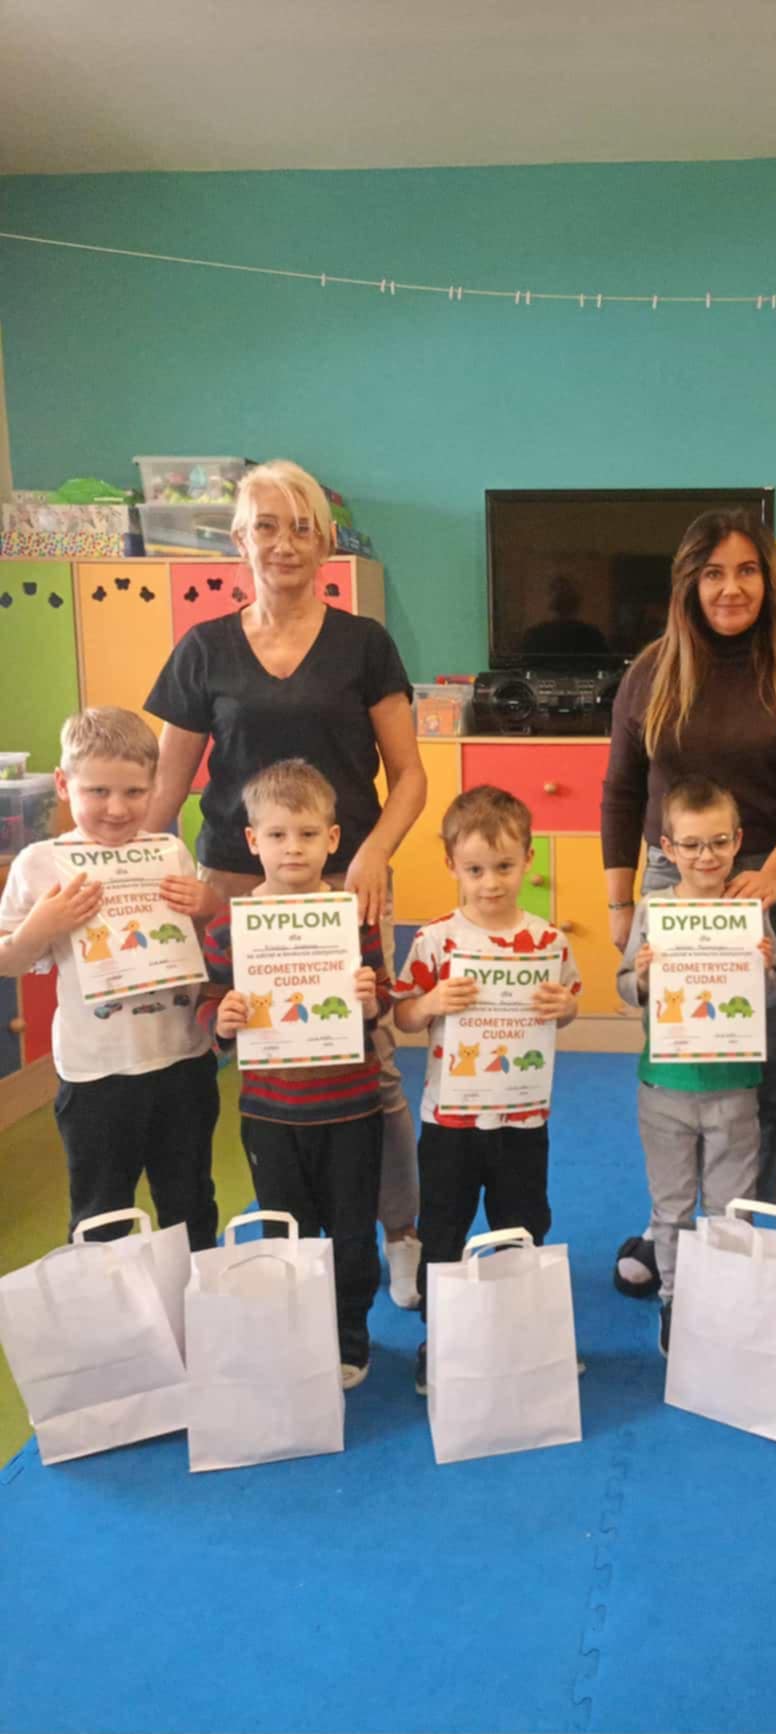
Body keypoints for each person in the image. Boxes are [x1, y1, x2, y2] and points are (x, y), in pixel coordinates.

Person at [144, 460, 428, 1306]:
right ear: (238, 539)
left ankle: (399, 1232)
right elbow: (163, 792)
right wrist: (120, 871)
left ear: (326, 541)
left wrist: (371, 855)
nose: (284, 543)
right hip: (234, 888)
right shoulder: (204, 649)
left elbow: (409, 776)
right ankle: (286, 1239)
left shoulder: (363, 644)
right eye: (266, 525)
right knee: (257, 1057)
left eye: (302, 527)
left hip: (342, 886)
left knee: (369, 1068)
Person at [601, 509, 776, 1295]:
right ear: (689, 583)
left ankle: (745, 1226)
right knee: (682, 1066)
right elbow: (621, 789)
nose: (730, 588)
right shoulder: (650, 671)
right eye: (713, 573)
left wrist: (770, 877)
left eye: (745, 571)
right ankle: (669, 1224)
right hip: (674, 880)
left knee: (767, 1072)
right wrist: (619, 903)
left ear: (768, 583)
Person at [203, 759, 390, 1389]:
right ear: (252, 840)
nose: (293, 848)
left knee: (353, 1230)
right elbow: (211, 1000)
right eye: (277, 835)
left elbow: (382, 996)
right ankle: (298, 1332)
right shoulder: (229, 927)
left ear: (332, 839)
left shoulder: (352, 918)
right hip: (271, 1113)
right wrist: (223, 1020)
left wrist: (369, 999)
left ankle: (350, 1333)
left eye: (308, 834)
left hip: (351, 1108)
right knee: (286, 1229)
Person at [0, 708, 219, 1246]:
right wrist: (40, 928)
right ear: (62, 784)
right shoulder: (38, 863)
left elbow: (193, 942)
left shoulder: (169, 851)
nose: (117, 809)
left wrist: (206, 905)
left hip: (182, 1060)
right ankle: (108, 1302)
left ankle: (194, 1296)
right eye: (97, 791)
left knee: (190, 1202)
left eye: (134, 792)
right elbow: (7, 960)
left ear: (154, 787)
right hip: (97, 1073)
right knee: (101, 1215)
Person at [392, 786, 582, 1394]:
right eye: (475, 870)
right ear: (451, 864)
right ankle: (441, 1337)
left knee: (523, 1222)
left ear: (528, 859)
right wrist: (430, 1002)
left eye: (504, 866)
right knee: (443, 1228)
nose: (491, 883)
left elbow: (569, 1006)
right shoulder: (435, 939)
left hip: (522, 1117)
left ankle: (520, 1331)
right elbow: (403, 1017)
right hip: (449, 1120)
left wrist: (564, 1007)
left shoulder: (548, 942)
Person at [616, 776, 776, 1356]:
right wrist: (641, 976)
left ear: (738, 841)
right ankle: (675, 1300)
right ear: (668, 848)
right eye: (691, 844)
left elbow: (774, 996)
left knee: (730, 1209)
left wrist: (765, 970)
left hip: (735, 1087)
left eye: (718, 842)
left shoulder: (749, 913)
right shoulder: (654, 910)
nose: (706, 856)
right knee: (671, 1208)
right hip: (665, 1087)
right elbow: (624, 987)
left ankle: (728, 1299)